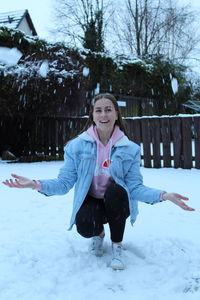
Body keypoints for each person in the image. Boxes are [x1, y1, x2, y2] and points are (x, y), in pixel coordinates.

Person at [3, 93, 195, 270]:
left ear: (116, 114)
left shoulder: (130, 149)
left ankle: (117, 245)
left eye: (108, 109)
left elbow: (135, 187)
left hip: (117, 202)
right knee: (85, 227)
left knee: (117, 190)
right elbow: (64, 183)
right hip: (92, 201)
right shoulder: (76, 146)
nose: (104, 115)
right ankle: (99, 234)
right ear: (92, 115)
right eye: (99, 110)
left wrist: (164, 195)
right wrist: (35, 184)